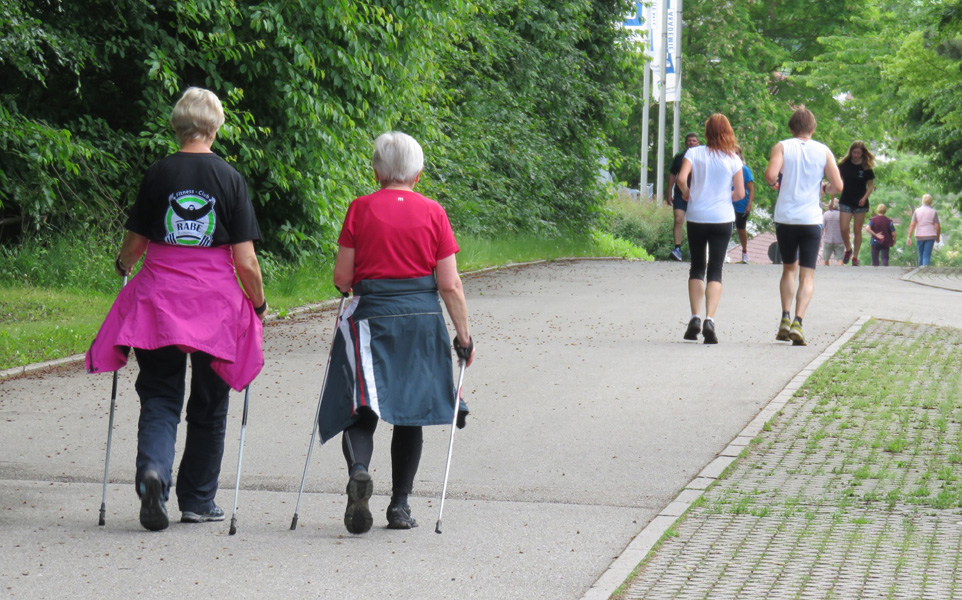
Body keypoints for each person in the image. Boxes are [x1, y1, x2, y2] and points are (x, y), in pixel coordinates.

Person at [86, 87, 267, 531]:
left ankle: (153, 472)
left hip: (159, 299)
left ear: (178, 125)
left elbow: (135, 244)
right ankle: (198, 500)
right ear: (215, 126)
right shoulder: (230, 178)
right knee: (209, 402)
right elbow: (245, 260)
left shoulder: (159, 173)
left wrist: (123, 264)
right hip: (215, 304)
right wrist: (259, 304)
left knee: (160, 392)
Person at [320, 131, 476, 534]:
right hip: (422, 322)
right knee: (411, 414)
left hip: (372, 320)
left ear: (376, 172)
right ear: (419, 174)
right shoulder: (434, 213)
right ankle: (400, 507)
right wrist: (463, 336)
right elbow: (450, 284)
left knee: (363, 408)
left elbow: (342, 279)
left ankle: (359, 470)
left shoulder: (360, 209)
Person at [764, 108, 843, 346]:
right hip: (811, 220)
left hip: (786, 218)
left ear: (791, 128)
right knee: (807, 274)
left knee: (789, 269)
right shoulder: (823, 151)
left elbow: (770, 176)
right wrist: (825, 189)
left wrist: (778, 181)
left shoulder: (782, 146)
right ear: (813, 128)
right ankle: (799, 321)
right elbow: (837, 185)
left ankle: (785, 318)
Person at [675, 115, 745, 344]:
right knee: (715, 269)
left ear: (706, 132)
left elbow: (681, 179)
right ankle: (709, 320)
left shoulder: (694, 153)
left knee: (697, 266)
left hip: (697, 216)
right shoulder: (733, 158)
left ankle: (694, 317)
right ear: (727, 132)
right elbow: (741, 194)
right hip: (722, 218)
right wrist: (726, 197)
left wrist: (688, 193)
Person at [837, 141, 875, 266]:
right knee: (843, 228)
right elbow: (835, 181)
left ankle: (855, 257)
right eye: (854, 152)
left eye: (859, 153)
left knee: (857, 229)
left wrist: (864, 198)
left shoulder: (866, 168)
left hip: (860, 202)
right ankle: (848, 248)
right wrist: (832, 199)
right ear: (851, 152)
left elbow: (870, 186)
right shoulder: (843, 165)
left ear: (863, 153)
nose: (856, 155)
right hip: (846, 200)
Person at [666, 133, 701, 261]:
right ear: (686, 143)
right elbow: (672, 175)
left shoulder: (702, 157)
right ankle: (677, 249)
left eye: (694, 141)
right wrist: (669, 193)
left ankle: (695, 250)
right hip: (680, 194)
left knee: (696, 223)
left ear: (698, 143)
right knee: (679, 219)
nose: (691, 143)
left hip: (697, 194)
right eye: (689, 141)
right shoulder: (680, 157)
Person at [906, 194, 941, 266]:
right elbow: (937, 226)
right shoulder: (933, 212)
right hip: (930, 236)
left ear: (922, 201)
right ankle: (925, 271)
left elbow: (912, 225)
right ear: (931, 202)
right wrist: (937, 237)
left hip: (919, 235)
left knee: (921, 255)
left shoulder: (917, 211)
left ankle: (919, 271)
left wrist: (909, 237)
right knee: (926, 255)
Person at [733, 147, 755, 263]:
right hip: (727, 203)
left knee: (741, 228)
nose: (734, 155)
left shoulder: (744, 170)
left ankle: (745, 251)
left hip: (741, 203)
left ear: (740, 155)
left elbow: (751, 189)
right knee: (724, 228)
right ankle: (722, 253)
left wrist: (749, 204)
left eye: (737, 153)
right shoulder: (726, 168)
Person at [821, 198, 844, 266]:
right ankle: (840, 272)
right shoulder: (842, 215)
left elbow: (822, 227)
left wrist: (822, 236)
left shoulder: (825, 214)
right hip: (839, 240)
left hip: (828, 239)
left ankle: (826, 272)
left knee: (826, 259)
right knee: (840, 259)